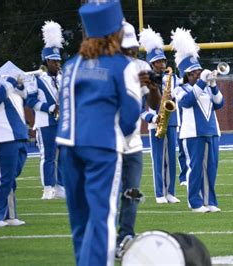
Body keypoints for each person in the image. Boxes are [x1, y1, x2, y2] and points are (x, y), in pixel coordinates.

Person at [56, 2, 142, 265]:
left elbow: (65, 106)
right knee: (102, 216)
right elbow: (130, 114)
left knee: (79, 218)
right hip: (103, 146)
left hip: (68, 143)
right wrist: (114, 134)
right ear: (115, 33)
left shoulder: (71, 64)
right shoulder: (122, 65)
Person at [115, 22, 162, 258]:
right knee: (110, 196)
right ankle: (104, 239)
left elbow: (154, 104)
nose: (131, 52)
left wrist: (152, 87)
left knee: (131, 193)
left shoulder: (140, 66)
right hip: (109, 143)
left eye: (133, 47)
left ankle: (125, 237)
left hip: (133, 143)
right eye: (126, 48)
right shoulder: (104, 69)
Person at [171, 28, 224, 213]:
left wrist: (213, 84)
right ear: (186, 74)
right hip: (192, 134)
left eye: (198, 71)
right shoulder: (179, 89)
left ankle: (210, 201)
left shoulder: (207, 88)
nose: (197, 74)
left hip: (212, 131)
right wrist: (201, 83)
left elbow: (220, 103)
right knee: (195, 169)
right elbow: (187, 102)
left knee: (211, 169)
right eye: (193, 73)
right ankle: (195, 202)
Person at [140, 26, 181, 204]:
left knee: (171, 159)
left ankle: (170, 192)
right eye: (158, 61)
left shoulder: (174, 78)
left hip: (171, 121)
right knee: (158, 159)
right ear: (151, 64)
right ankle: (159, 193)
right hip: (155, 123)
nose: (162, 64)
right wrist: (152, 117)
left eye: (163, 60)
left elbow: (180, 95)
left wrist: (174, 97)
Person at [0, 58, 29, 227]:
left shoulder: (5, 86)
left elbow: (25, 97)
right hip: (1, 136)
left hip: (18, 135)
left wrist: (20, 83)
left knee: (10, 178)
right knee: (3, 178)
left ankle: (10, 215)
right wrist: (10, 81)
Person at [26, 20, 65, 200]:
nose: (58, 64)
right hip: (45, 122)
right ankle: (48, 188)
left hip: (63, 122)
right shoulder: (37, 79)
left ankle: (61, 187)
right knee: (48, 156)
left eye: (59, 61)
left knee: (63, 156)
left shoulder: (64, 77)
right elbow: (30, 100)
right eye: (54, 61)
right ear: (47, 61)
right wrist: (50, 107)